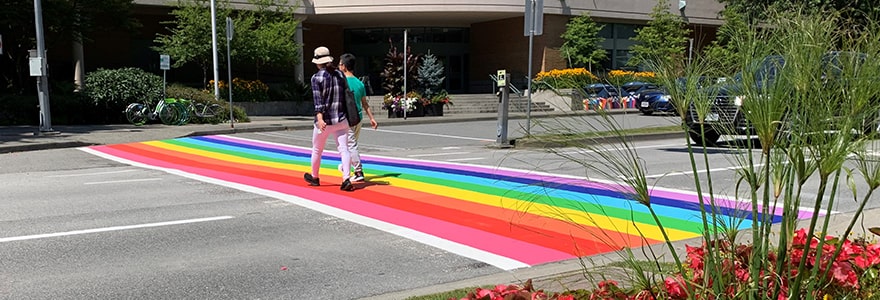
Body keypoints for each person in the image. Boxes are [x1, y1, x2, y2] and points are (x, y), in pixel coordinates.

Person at [304, 46, 354, 191]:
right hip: (341, 118)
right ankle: (346, 179)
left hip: (325, 121)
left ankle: (315, 177)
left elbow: (318, 102)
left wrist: (319, 119)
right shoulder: (339, 74)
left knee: (317, 150)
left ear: (318, 62)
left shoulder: (316, 77)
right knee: (344, 150)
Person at [337, 53, 378, 182]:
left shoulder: (340, 82)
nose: (338, 66)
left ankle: (358, 171)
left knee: (350, 145)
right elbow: (365, 103)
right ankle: (347, 166)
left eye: (339, 64)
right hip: (358, 118)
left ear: (343, 66)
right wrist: (372, 118)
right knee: (350, 144)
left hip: (346, 118)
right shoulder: (360, 84)